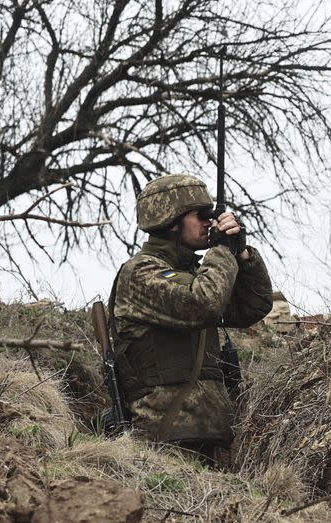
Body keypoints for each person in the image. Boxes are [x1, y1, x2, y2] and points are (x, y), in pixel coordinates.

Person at [109, 173, 273, 463]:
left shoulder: (196, 275)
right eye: (201, 215)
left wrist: (243, 254)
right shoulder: (140, 274)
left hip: (210, 436)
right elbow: (203, 303)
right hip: (163, 442)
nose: (210, 222)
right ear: (172, 222)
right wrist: (222, 251)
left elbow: (254, 306)